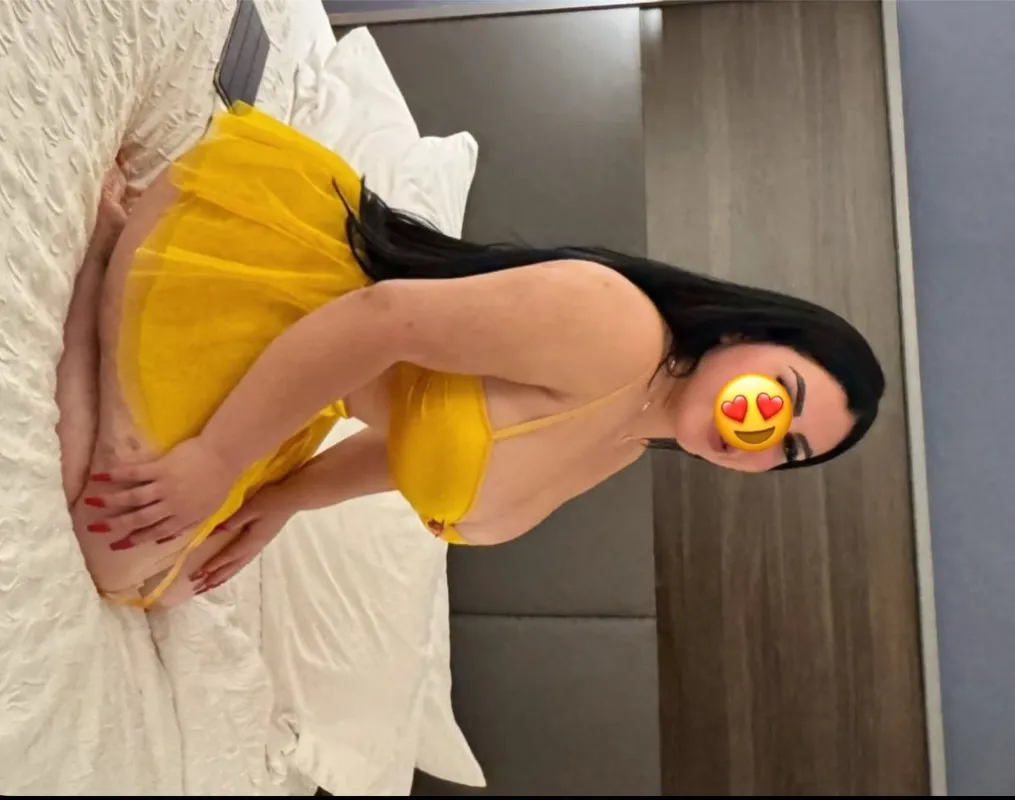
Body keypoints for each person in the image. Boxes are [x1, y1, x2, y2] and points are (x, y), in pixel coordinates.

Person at [67, 104, 884, 610]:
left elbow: (416, 444)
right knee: (116, 550)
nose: (758, 431)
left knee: (154, 580)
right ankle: (109, 256)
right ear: (742, 334)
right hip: (275, 292)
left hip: (310, 376)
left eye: (787, 448)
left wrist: (281, 499)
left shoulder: (626, 442)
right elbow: (385, 317)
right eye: (777, 394)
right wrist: (218, 457)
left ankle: (117, 277)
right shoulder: (619, 330)